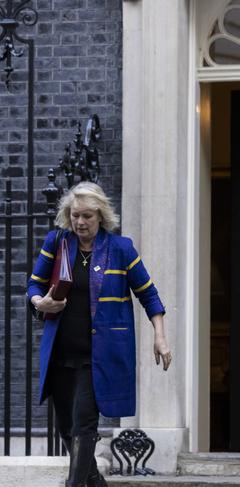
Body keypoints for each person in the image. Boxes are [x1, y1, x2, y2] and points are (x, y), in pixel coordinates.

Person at [27, 182, 172, 487]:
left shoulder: (120, 249)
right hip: (61, 355)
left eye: (88, 216)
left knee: (83, 426)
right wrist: (41, 302)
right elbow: (33, 287)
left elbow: (148, 294)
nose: (80, 222)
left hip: (98, 358)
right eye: (75, 215)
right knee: (67, 428)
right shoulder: (57, 243)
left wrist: (160, 336)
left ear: (101, 216)